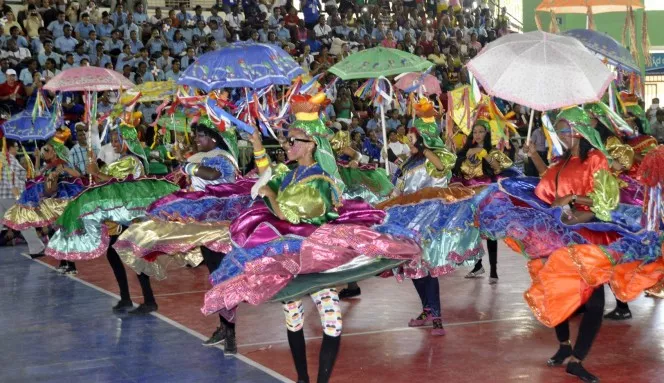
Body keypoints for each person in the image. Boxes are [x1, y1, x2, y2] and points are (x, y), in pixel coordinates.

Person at [202, 94, 420, 381]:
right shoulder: (292, 174)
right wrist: (257, 145)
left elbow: (292, 215)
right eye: (287, 139)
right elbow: (268, 176)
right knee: (293, 321)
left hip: (315, 258)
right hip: (288, 260)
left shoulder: (319, 179)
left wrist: (269, 196)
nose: (286, 144)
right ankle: (303, 378)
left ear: (311, 145)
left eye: (293, 141)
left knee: (332, 323)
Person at [114, 116, 253, 352]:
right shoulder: (207, 156)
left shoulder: (223, 157)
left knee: (221, 276)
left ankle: (230, 333)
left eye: (200, 136)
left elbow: (211, 176)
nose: (196, 140)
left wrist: (188, 164)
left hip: (220, 224)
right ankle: (225, 327)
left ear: (212, 138)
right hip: (205, 225)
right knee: (215, 275)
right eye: (196, 136)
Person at [45, 125, 180, 315]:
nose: (114, 144)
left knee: (133, 256)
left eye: (117, 140)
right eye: (113, 140)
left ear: (127, 141)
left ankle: (146, 300)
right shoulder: (125, 160)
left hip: (131, 218)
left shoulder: (130, 160)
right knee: (116, 254)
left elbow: (118, 184)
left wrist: (96, 172)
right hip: (123, 216)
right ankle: (128, 298)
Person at [0, 139, 47, 258]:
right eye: (16, 147)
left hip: (4, 196)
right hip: (11, 196)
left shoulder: (5, 158)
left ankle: (37, 248)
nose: (18, 149)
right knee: (24, 223)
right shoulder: (8, 159)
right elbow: (16, 176)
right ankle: (36, 249)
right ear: (10, 147)